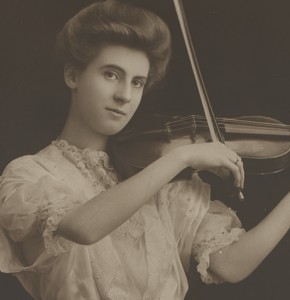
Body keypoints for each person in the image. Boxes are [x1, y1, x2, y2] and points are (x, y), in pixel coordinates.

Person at [0, 0, 289, 299]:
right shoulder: (30, 176)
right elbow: (84, 228)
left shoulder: (163, 186)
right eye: (111, 74)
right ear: (73, 75)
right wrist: (181, 157)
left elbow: (230, 265)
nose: (125, 95)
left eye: (137, 82)